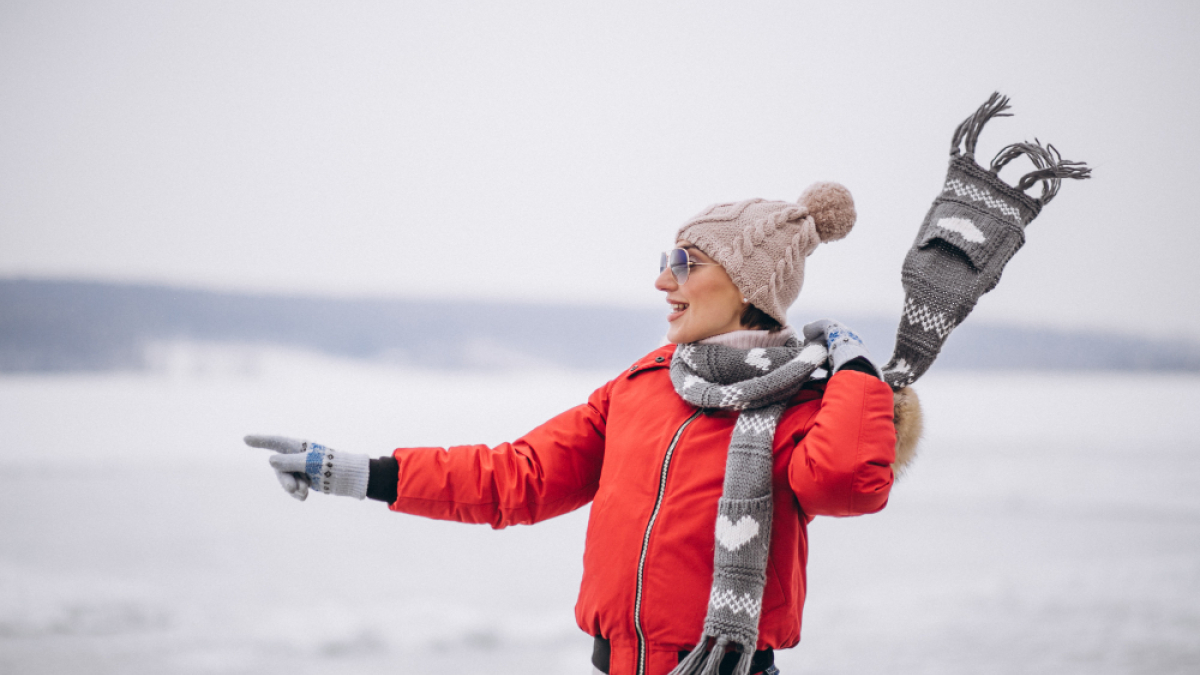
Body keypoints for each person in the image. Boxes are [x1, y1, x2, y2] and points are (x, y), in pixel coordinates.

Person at [246, 181, 920, 675]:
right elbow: (516, 476)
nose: (663, 280)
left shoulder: (806, 403)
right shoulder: (643, 386)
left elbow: (846, 482)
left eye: (687, 263)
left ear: (746, 287)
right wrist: (358, 471)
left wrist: (855, 366)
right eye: (667, 258)